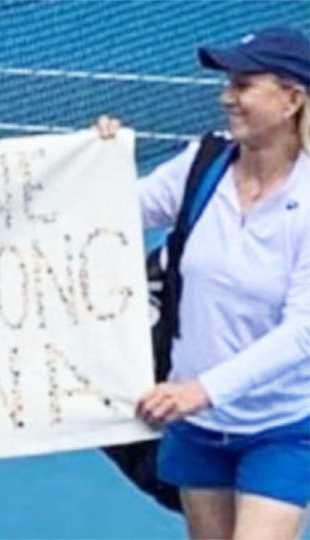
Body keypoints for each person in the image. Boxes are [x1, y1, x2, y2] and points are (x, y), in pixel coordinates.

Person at [96, 27, 310, 539]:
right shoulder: (204, 161)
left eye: (243, 85)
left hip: (280, 425)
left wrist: (203, 391)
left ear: (292, 100)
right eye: (228, 83)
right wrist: (97, 162)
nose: (226, 97)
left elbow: (302, 332)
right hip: (197, 427)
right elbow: (110, 212)